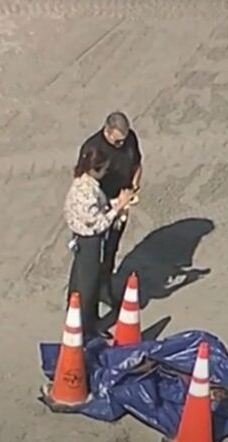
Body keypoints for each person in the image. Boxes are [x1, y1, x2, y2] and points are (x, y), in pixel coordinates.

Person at [63, 145, 136, 339]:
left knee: (78, 281)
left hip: (81, 238)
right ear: (95, 169)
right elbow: (99, 224)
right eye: (104, 169)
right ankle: (86, 329)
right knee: (88, 285)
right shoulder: (86, 193)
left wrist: (114, 203)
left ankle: (76, 317)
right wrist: (119, 207)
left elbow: (97, 210)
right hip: (89, 241)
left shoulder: (83, 183)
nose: (105, 173)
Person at [76, 111, 143, 303]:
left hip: (121, 201)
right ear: (107, 130)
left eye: (123, 140)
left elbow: (137, 164)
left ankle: (105, 286)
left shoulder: (130, 139)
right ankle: (86, 289)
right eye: (117, 142)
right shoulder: (93, 148)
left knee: (112, 245)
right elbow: (84, 181)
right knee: (92, 248)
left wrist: (134, 186)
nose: (121, 145)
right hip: (99, 205)